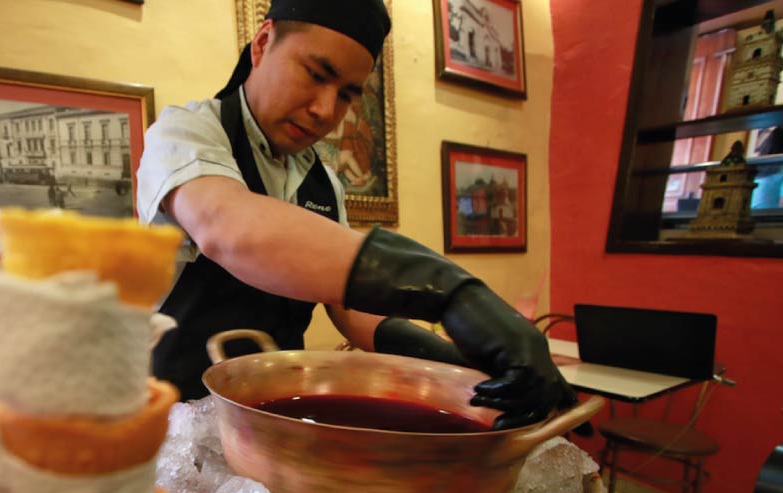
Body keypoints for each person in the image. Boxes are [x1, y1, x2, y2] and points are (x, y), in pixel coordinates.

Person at [136, 0, 579, 431]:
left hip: (268, 420)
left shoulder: (323, 182)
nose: (326, 111)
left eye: (347, 95)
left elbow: (350, 308)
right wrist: (450, 291)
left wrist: (459, 363)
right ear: (263, 42)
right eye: (315, 74)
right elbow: (230, 229)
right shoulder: (188, 133)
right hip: (173, 425)